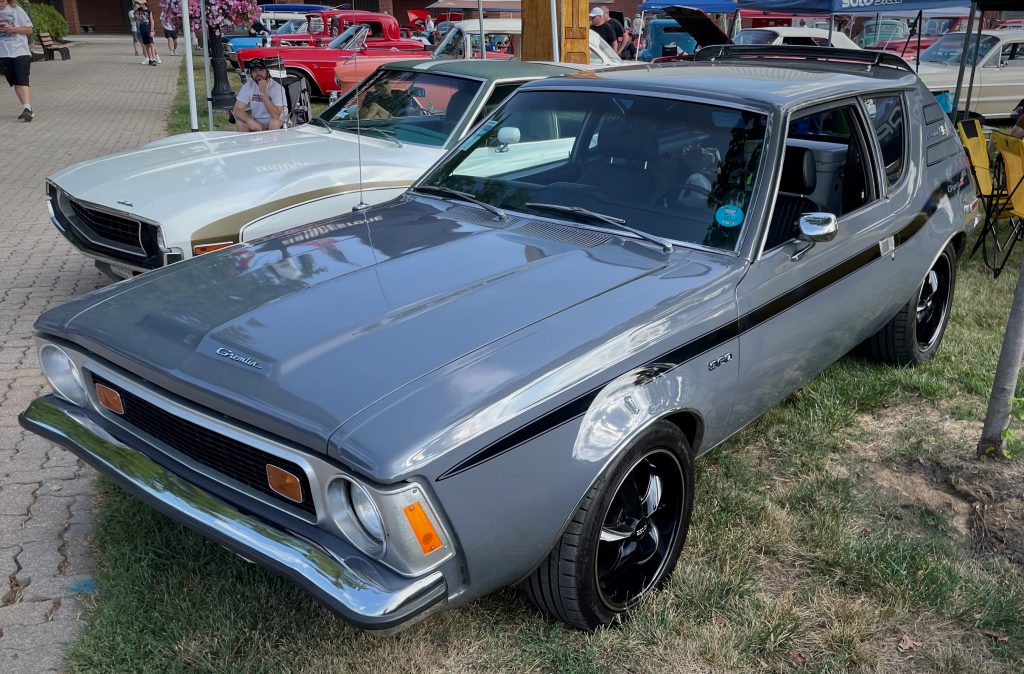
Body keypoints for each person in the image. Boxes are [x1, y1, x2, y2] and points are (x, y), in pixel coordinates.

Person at [0, 0, 33, 121]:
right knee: (15, 81)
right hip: (3, 54)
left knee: (22, 80)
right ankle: (27, 108)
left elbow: (29, 30)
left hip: (20, 51)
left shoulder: (16, 10)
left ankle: (27, 109)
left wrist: (11, 29)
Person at [233, 59, 287, 131]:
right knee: (240, 122)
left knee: (274, 122)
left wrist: (263, 92)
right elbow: (237, 110)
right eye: (254, 71)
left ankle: (272, 142)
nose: (258, 73)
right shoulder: (248, 86)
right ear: (251, 74)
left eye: (261, 70)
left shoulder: (277, 88)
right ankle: (249, 142)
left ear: (267, 72)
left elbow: (275, 115)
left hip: (278, 122)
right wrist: (250, 121)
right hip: (258, 123)